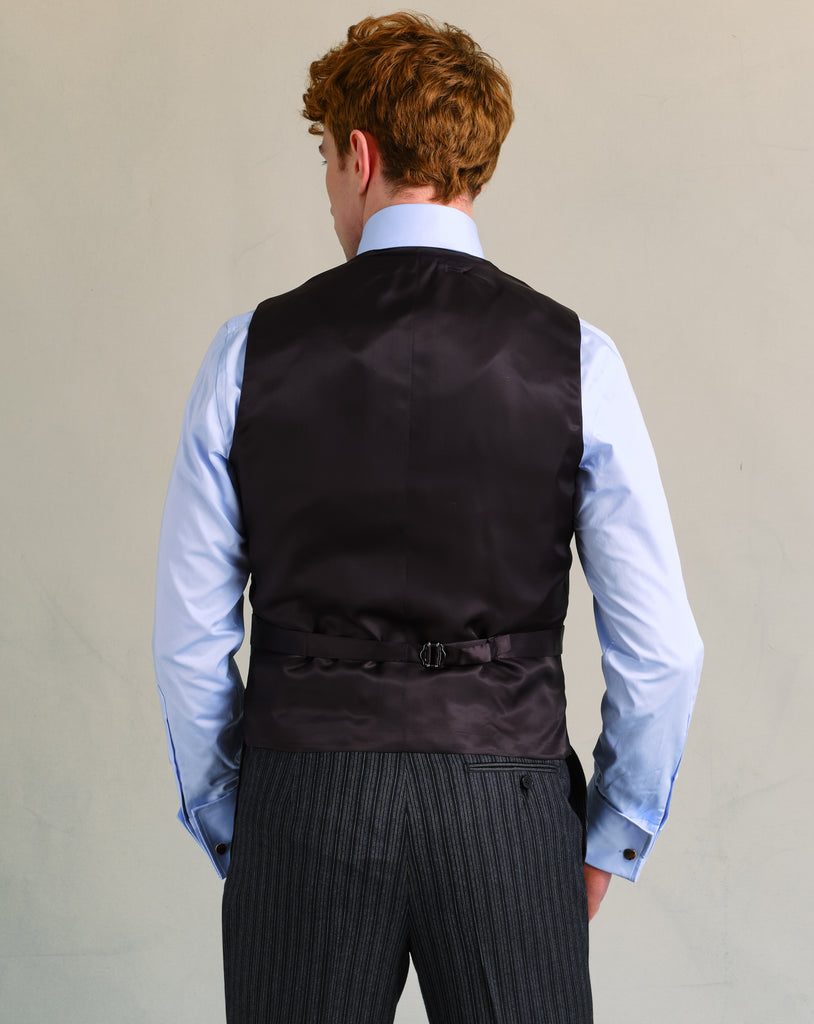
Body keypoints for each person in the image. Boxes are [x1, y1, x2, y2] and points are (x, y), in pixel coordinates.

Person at [152, 11, 703, 1023]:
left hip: (304, 795)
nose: (329, 190)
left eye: (326, 159)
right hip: (510, 808)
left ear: (358, 156)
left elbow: (189, 639)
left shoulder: (247, 353)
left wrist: (241, 817)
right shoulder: (578, 357)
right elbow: (663, 650)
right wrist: (611, 833)